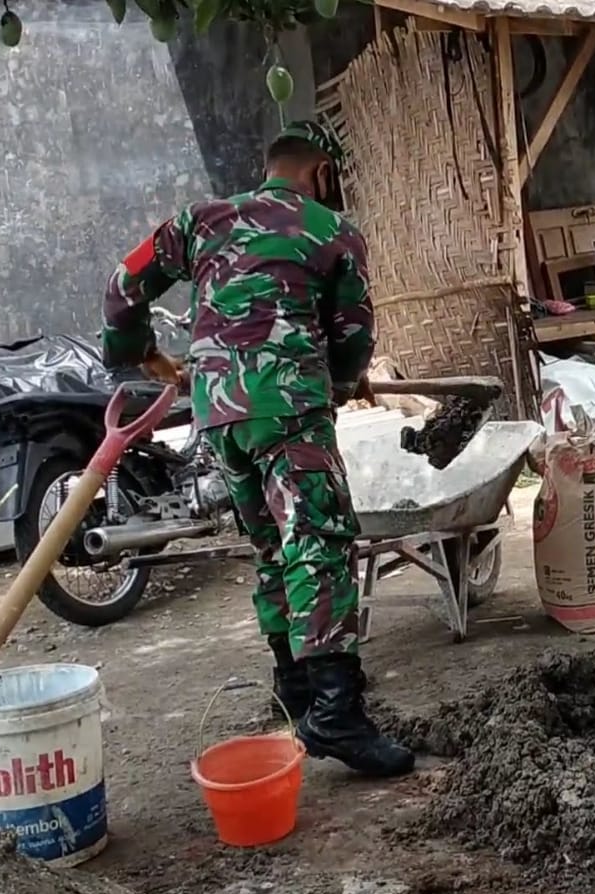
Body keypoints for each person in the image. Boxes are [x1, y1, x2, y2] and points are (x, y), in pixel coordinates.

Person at [100, 121, 414, 776]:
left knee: (271, 545)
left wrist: (144, 354)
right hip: (287, 406)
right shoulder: (331, 230)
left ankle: (294, 691)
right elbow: (354, 335)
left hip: (219, 414)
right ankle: (336, 713)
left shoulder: (201, 220)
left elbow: (123, 285)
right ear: (322, 173)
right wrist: (340, 383)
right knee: (319, 543)